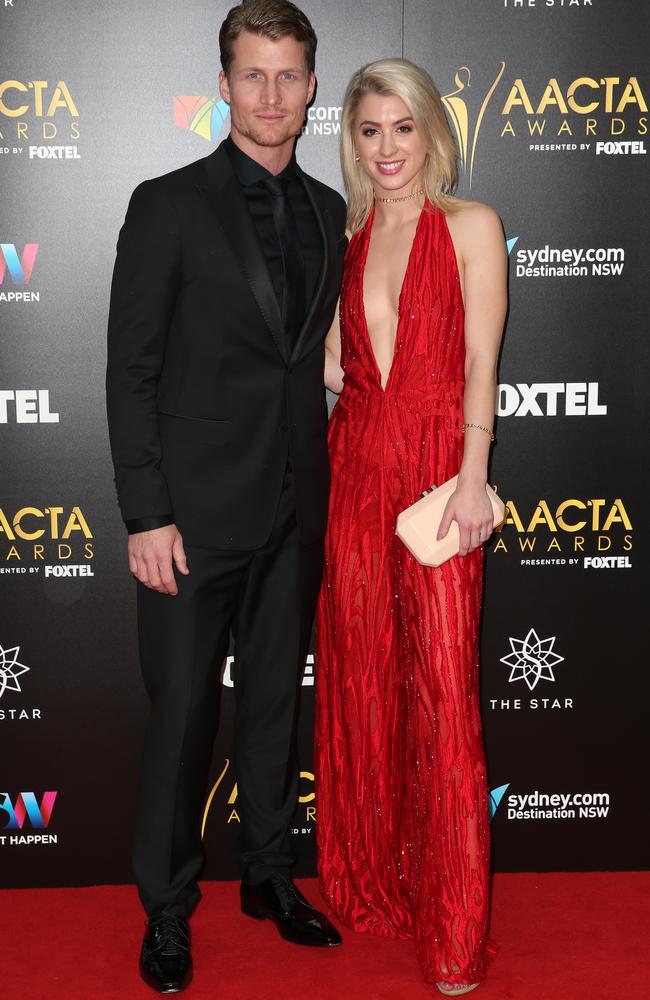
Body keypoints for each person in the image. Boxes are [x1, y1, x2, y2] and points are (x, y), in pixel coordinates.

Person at [106, 1, 347, 992]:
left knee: (268, 719)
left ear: (310, 87)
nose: (271, 96)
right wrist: (145, 513)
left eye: (289, 76)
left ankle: (268, 876)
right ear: (222, 83)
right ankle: (167, 908)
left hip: (295, 507)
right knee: (181, 720)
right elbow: (132, 371)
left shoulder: (331, 211)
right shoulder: (166, 203)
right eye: (253, 74)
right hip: (192, 521)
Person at [315, 59, 507, 996]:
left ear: (432, 131)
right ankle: (380, 886)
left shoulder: (471, 227)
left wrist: (474, 480)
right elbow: (331, 364)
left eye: (402, 127)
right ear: (350, 142)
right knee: (364, 686)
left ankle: (456, 931)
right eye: (368, 131)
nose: (387, 149)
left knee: (443, 698)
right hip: (353, 472)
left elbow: (480, 360)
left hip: (437, 477)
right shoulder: (349, 237)